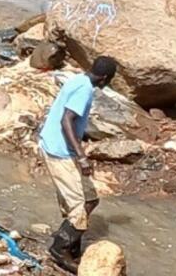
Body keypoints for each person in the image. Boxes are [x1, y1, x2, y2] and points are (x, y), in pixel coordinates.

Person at [39, 55, 118, 271]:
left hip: (58, 146)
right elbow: (66, 121)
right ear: (103, 77)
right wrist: (81, 156)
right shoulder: (84, 90)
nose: (108, 83)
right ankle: (59, 249)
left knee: (90, 199)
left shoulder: (78, 80)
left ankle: (73, 246)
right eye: (109, 79)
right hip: (60, 152)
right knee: (78, 207)